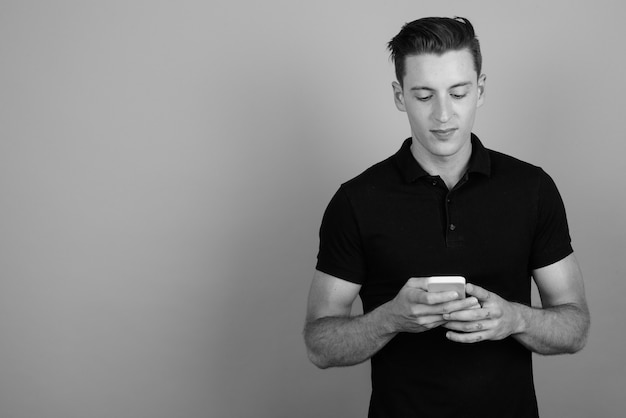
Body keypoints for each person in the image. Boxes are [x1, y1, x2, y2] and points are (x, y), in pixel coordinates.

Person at [303, 16, 590, 418]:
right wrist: (390, 319)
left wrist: (515, 319)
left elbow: (575, 327)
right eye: (423, 96)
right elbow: (319, 343)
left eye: (458, 93)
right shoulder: (356, 201)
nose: (442, 115)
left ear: (481, 90)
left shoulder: (532, 189)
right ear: (399, 95)